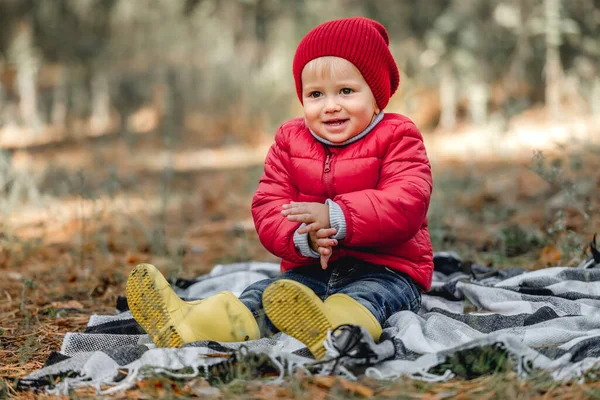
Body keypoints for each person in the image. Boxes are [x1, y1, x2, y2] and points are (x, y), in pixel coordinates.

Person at [126, 16, 433, 359]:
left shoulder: (398, 136)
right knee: (263, 296)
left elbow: (407, 202)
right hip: (310, 270)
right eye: (316, 94)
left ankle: (336, 332)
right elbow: (269, 206)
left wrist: (337, 216)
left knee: (367, 299)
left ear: (376, 96)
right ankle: (191, 324)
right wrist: (304, 237)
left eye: (346, 91)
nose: (330, 105)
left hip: (387, 270)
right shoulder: (290, 141)